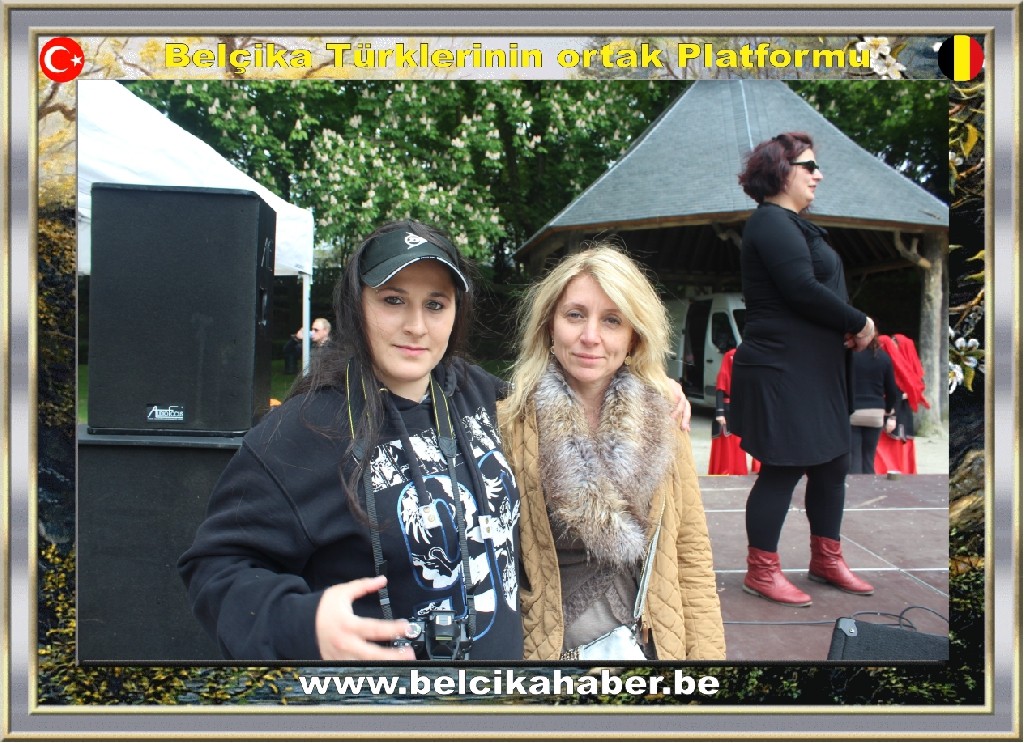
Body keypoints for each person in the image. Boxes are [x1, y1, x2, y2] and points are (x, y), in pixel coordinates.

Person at [178, 219, 523, 661]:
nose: (417, 326)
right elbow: (215, 569)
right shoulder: (303, 431)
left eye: (436, 305)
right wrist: (302, 624)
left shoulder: (480, 394)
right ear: (355, 305)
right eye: (393, 300)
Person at [498, 243, 726, 661]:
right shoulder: (508, 423)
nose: (591, 337)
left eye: (612, 320)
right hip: (548, 650)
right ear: (549, 325)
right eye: (575, 315)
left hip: (651, 644)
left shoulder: (664, 416)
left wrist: (708, 668)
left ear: (633, 335)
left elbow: (691, 554)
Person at [730, 132, 876, 607]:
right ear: (781, 171)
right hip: (782, 369)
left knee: (833, 463)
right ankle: (761, 571)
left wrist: (843, 328)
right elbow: (800, 288)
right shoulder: (770, 221)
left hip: (814, 370)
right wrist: (859, 321)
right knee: (783, 468)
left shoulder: (793, 225)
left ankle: (826, 559)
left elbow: (814, 292)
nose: (819, 175)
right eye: (809, 166)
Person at [874, 333, 929, 474]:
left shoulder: (904, 370)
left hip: (896, 414)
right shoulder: (892, 365)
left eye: (895, 344)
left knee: (892, 450)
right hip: (893, 412)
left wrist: (892, 416)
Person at [849, 330, 901, 474]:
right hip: (876, 412)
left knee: (854, 457)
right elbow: (891, 389)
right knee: (869, 456)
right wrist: (889, 409)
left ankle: (855, 486)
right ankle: (870, 484)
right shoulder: (883, 358)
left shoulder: (849, 356)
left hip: (853, 411)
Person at [708, 346, 759, 476]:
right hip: (725, 411)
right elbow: (720, 391)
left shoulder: (741, 376)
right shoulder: (723, 374)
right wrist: (720, 413)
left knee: (737, 442)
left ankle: (737, 469)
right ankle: (725, 469)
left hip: (738, 411)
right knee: (726, 443)